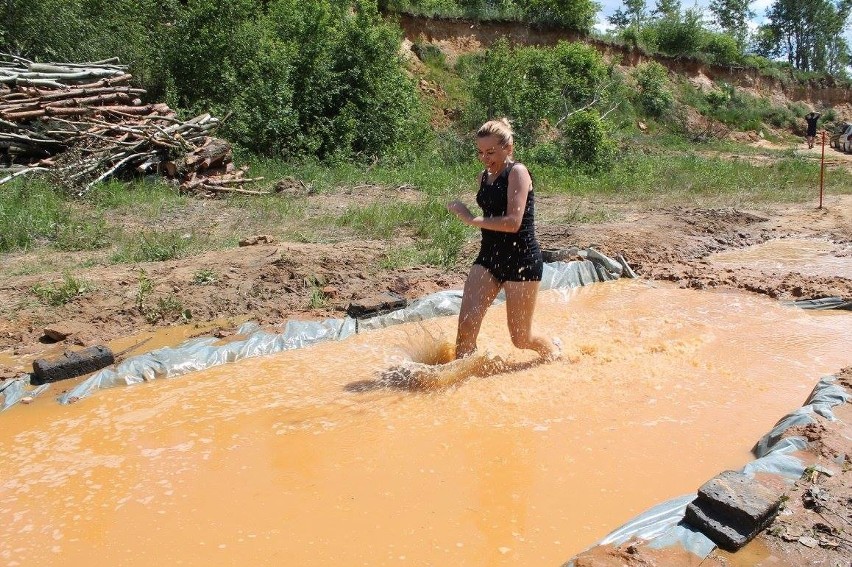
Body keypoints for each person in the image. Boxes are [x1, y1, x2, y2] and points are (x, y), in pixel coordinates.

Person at [447, 118, 559, 361]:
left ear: (508, 148)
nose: (485, 158)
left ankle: (555, 355)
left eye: (491, 152)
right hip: (488, 258)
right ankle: (463, 386)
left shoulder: (518, 172)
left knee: (521, 339)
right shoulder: (483, 177)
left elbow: (513, 222)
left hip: (521, 259)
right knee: (466, 329)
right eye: (480, 152)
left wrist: (470, 219)